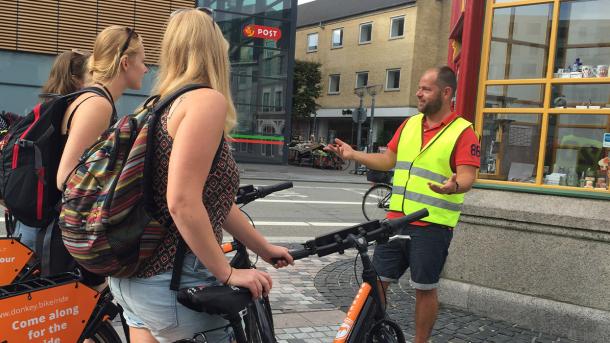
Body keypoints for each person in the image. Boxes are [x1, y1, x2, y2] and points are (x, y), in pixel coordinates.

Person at [107, 9, 293, 343]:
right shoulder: (205, 101)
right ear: (216, 51)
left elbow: (211, 201)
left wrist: (261, 247)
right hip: (174, 281)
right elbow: (181, 202)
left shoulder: (156, 106)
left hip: (131, 279)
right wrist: (227, 272)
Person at [325, 66, 480, 343]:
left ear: (446, 93)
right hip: (395, 221)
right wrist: (353, 154)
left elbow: (468, 176)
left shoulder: (463, 131)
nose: (419, 93)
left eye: (426, 89)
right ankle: (373, 334)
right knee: (376, 283)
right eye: (419, 88)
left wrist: (453, 185)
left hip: (432, 225)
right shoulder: (409, 125)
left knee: (424, 288)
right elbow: (388, 160)